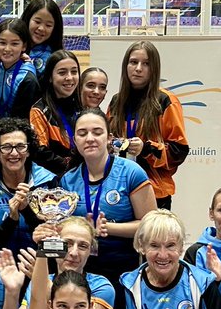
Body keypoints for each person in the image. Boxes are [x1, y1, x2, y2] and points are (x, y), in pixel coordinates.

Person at [60, 109, 156, 281]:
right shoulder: (68, 180)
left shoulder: (131, 172)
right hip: (81, 267)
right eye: (82, 133)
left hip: (123, 268)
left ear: (109, 138)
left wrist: (108, 229)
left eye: (97, 132)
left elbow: (151, 225)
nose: (90, 138)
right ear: (75, 141)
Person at [106, 41, 189, 210]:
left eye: (146, 64)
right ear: (125, 66)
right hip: (120, 189)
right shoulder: (116, 101)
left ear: (154, 68)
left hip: (154, 191)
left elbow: (179, 151)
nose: (138, 68)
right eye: (133, 62)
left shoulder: (165, 101)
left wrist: (145, 149)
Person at [0, 117, 55, 265]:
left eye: (21, 146)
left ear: (28, 151)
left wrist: (27, 211)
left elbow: (56, 242)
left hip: (43, 269)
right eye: (6, 147)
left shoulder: (49, 183)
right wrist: (11, 219)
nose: (14, 153)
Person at [29, 49, 82, 175]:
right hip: (54, 179)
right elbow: (41, 153)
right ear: (50, 78)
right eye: (62, 72)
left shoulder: (81, 106)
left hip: (82, 174)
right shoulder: (39, 111)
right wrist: (72, 167)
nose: (69, 78)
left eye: (74, 72)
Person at [0, 19, 40, 121]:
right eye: (2, 43)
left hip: (16, 133)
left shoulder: (27, 79)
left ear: (23, 46)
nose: (7, 49)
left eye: (14, 44)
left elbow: (24, 118)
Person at [21, 0, 64, 72]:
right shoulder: (13, 48)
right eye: (37, 22)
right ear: (28, 19)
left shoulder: (56, 59)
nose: (41, 28)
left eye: (48, 25)